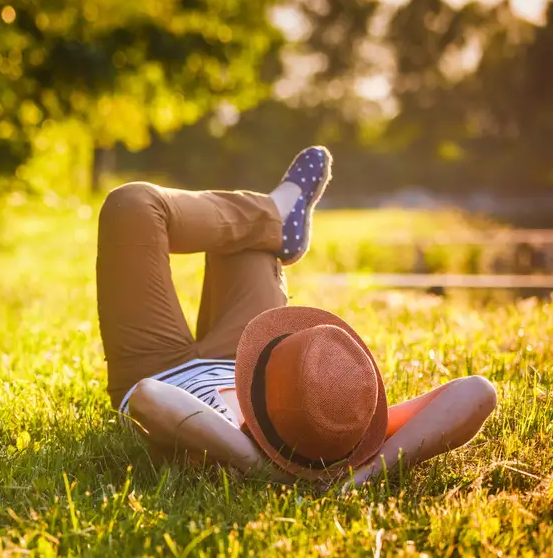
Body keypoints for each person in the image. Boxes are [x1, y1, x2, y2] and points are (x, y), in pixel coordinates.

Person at [95, 146, 497, 486]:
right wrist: (369, 473)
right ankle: (273, 217)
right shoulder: (338, 438)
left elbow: (151, 397)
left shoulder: (234, 448)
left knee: (130, 205)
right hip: (250, 363)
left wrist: (264, 467)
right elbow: (477, 392)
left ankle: (273, 211)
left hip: (160, 366)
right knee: (247, 241)